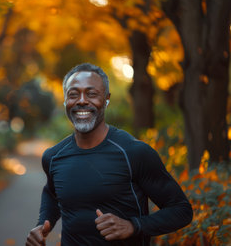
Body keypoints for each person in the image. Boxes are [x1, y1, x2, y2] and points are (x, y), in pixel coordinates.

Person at [25, 63, 193, 246]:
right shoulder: (53, 157)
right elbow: (52, 193)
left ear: (106, 99)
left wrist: (133, 226)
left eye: (92, 94)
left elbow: (181, 210)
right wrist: (42, 225)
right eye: (73, 94)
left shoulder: (134, 153)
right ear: (65, 100)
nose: (81, 100)